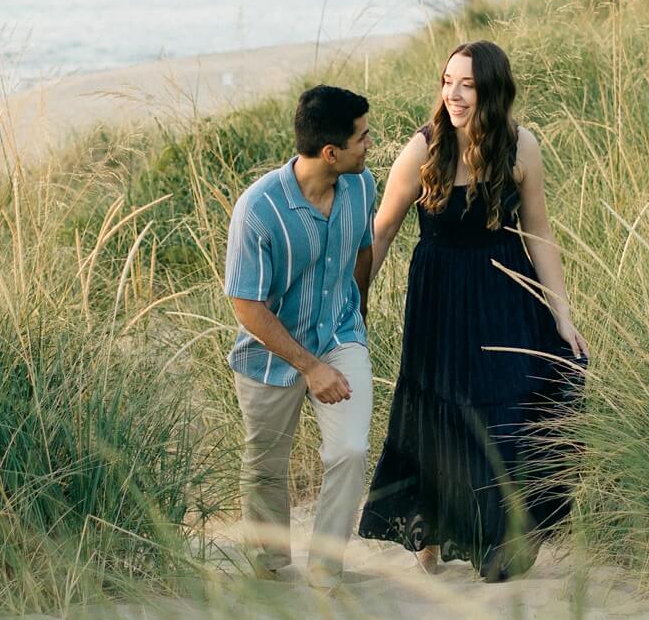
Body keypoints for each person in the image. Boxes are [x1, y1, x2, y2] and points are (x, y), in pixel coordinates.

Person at [357, 40, 586, 582]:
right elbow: (382, 231)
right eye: (447, 81)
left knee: (514, 406)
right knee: (441, 411)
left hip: (507, 291)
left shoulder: (520, 146)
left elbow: (539, 232)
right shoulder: (423, 150)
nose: (453, 94)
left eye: (467, 84)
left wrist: (562, 314)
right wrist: (354, 306)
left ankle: (506, 536)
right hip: (441, 300)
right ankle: (430, 530)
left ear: (492, 90)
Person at [224, 83, 378, 591]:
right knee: (266, 463)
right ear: (330, 153)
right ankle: (268, 569)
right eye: (361, 138)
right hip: (271, 354)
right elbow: (246, 304)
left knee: (351, 450)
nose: (369, 145)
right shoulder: (258, 210)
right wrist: (309, 365)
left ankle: (325, 567)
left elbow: (362, 251)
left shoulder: (362, 186)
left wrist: (351, 317)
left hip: (339, 334)